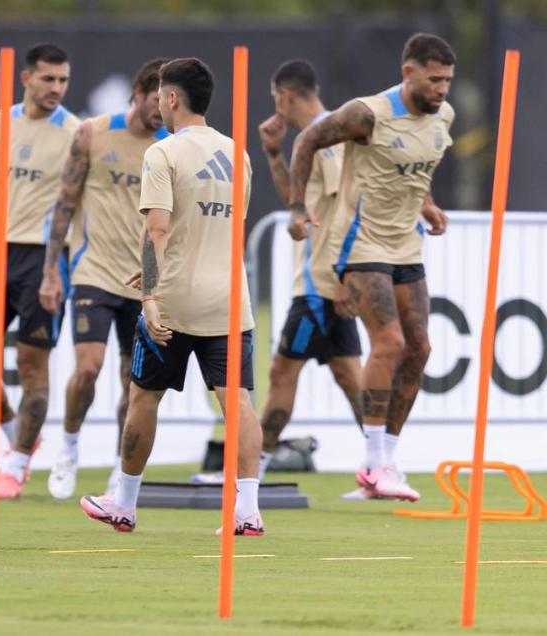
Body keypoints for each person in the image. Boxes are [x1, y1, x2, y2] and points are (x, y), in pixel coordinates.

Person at [79, 57, 264, 536]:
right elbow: (220, 229)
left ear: (173, 99)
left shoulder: (162, 153)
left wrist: (151, 297)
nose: (159, 103)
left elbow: (157, 230)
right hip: (229, 302)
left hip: (176, 302)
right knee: (238, 403)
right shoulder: (237, 153)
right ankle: (246, 512)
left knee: (144, 397)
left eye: (161, 95)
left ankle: (123, 503)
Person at [289, 33, 455, 500]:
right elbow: (306, 140)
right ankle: (374, 463)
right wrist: (297, 208)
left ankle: (384, 462)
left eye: (448, 80)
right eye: (435, 79)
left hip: (406, 245)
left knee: (420, 348)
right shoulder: (367, 114)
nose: (443, 89)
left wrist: (426, 203)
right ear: (409, 72)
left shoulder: (444, 116)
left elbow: (413, 166)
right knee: (390, 341)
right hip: (358, 244)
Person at [0, 43, 80, 499]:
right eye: (49, 79)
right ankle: (13, 429)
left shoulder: (76, 133)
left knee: (31, 366)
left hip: (47, 260)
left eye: (63, 80)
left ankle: (19, 464)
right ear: (26, 78)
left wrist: (60, 266)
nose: (57, 89)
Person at [39, 58, 170, 501]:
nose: (162, 110)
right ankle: (69, 447)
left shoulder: (171, 147)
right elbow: (64, 202)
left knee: (132, 386)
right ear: (137, 92)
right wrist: (50, 273)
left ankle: (119, 467)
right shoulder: (94, 133)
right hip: (94, 274)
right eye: (157, 100)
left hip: (145, 283)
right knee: (87, 371)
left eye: (170, 103)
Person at [255, 60, 367, 495]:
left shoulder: (328, 136)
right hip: (324, 280)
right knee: (349, 378)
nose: (275, 107)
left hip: (322, 283)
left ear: (285, 95)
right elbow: (298, 199)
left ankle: (254, 471)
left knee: (283, 371)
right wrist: (272, 153)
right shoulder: (312, 140)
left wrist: (343, 280)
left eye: (274, 99)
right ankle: (383, 464)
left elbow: (345, 209)